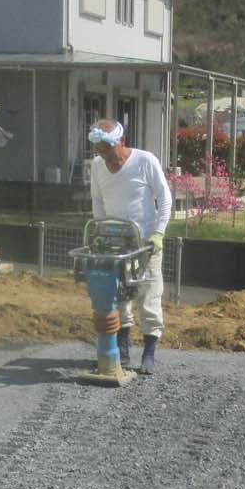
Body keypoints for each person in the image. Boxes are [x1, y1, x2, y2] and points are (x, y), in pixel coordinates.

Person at [87, 119, 172, 375]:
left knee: (149, 296)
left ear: (121, 141)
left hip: (145, 243)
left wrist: (158, 233)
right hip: (115, 244)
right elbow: (98, 201)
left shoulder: (145, 161)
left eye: (108, 151)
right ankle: (122, 352)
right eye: (99, 151)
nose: (105, 157)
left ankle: (149, 353)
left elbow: (164, 197)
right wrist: (100, 232)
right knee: (118, 299)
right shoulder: (98, 166)